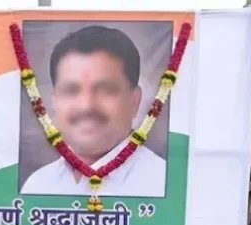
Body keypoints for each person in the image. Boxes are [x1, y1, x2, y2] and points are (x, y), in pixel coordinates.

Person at [21, 25, 165, 197]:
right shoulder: (38, 185)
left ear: (135, 101)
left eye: (105, 89)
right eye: (71, 90)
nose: (86, 106)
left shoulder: (162, 183)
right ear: (55, 101)